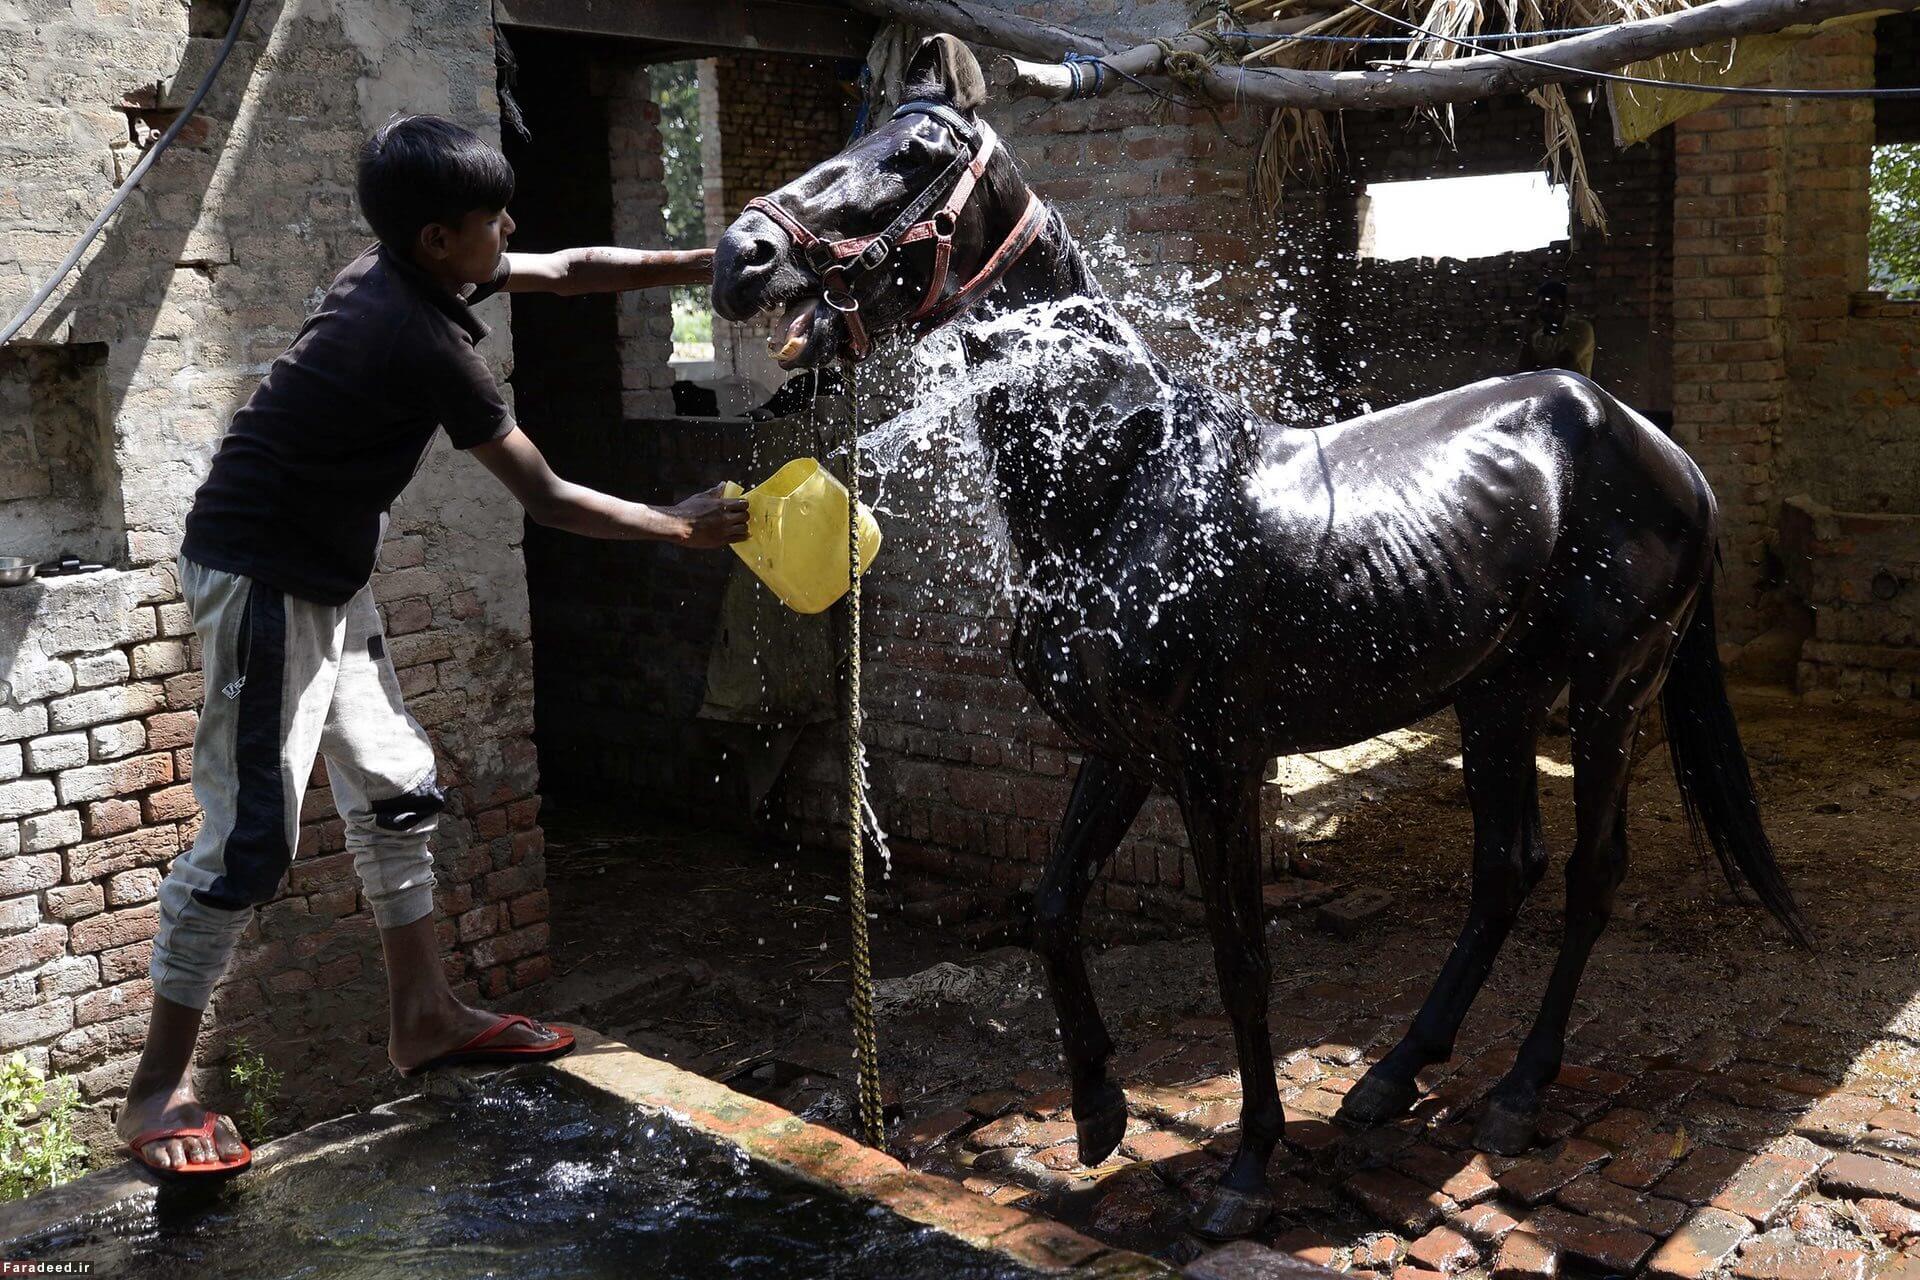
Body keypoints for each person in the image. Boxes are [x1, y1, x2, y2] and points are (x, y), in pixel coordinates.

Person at [115, 114, 748, 1181]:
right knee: (247, 844)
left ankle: (425, 1014)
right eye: (493, 217)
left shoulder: (411, 270)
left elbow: (572, 268)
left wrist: (709, 256)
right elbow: (546, 497)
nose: (513, 229)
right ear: (438, 241)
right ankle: (153, 1093)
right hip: (262, 576)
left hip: (328, 571)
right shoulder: (422, 339)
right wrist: (680, 525)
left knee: (401, 788)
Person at [1521, 281, 1595, 378]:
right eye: (1542, 306)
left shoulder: (1581, 329)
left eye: (1552, 306)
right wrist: (1528, 332)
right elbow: (1523, 371)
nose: (1547, 311)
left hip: (1574, 391)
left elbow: (1561, 367)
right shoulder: (1537, 337)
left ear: (1564, 307)